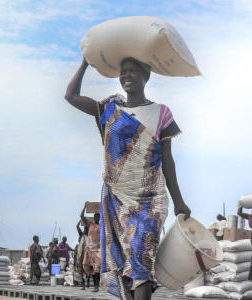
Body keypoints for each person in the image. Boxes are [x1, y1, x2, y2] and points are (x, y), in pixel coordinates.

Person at [65, 57, 191, 299]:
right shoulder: (110, 109)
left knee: (141, 256)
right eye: (124, 72)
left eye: (134, 71)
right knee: (125, 266)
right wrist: (85, 63)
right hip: (117, 199)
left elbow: (168, 161)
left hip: (150, 199)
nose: (127, 76)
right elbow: (70, 96)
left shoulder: (161, 113)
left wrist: (179, 202)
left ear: (146, 77)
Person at [80, 202, 101, 292]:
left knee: (97, 268)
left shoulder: (102, 226)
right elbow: (81, 216)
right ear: (94, 218)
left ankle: (96, 286)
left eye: (98, 217)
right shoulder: (90, 224)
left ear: (99, 218)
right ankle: (94, 285)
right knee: (86, 266)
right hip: (89, 250)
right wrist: (85, 206)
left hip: (98, 250)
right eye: (95, 216)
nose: (97, 218)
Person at [76, 220, 90, 290]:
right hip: (81, 256)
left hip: (87, 256)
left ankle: (87, 283)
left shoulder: (90, 236)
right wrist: (81, 220)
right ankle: (84, 284)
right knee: (81, 270)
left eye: (86, 229)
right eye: (84, 229)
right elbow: (77, 226)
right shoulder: (82, 235)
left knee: (87, 269)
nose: (85, 230)